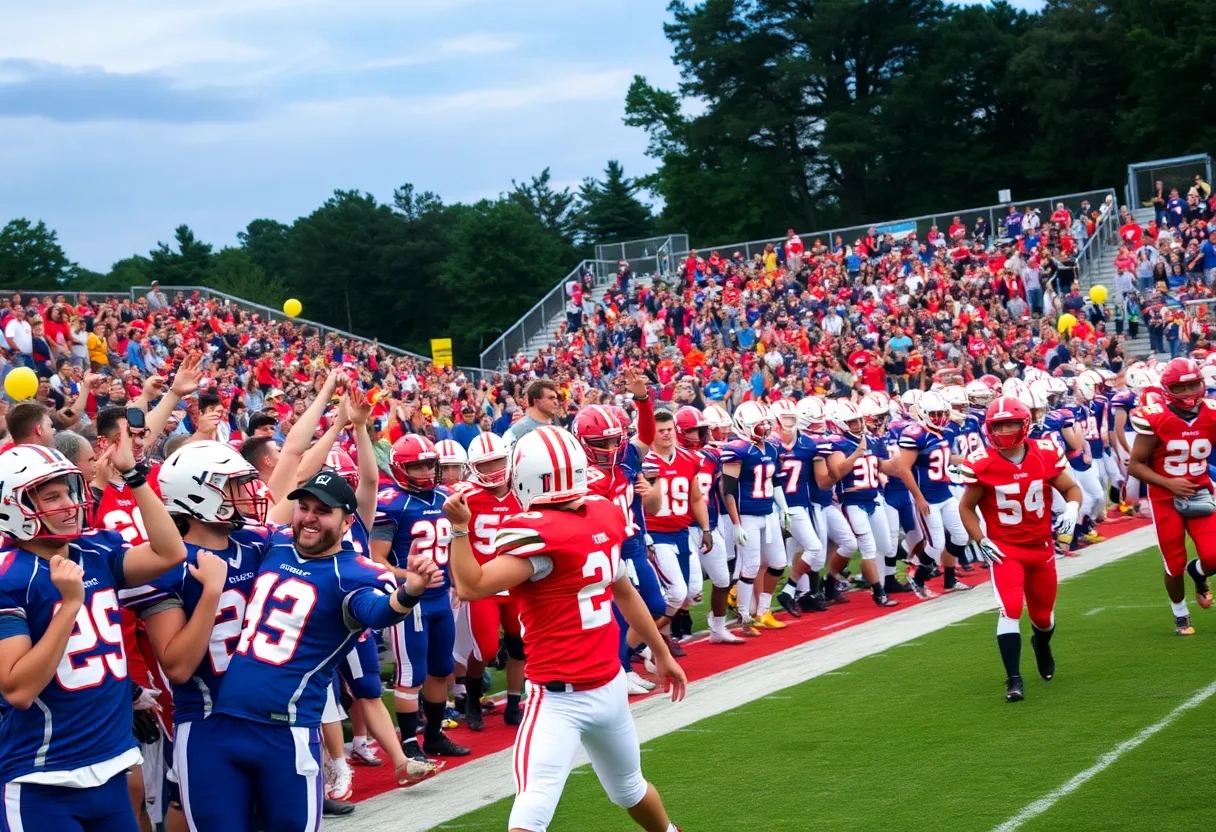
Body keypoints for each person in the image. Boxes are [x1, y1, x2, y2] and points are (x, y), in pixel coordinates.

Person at [444, 425, 686, 832]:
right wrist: (660, 654)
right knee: (629, 788)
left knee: (533, 807)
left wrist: (459, 529)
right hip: (609, 686)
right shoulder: (605, 513)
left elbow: (470, 586)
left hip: (558, 697)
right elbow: (624, 591)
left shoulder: (537, 533)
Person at [174, 472, 439, 831]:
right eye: (304, 507)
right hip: (224, 723)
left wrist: (411, 590)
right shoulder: (276, 542)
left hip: (286, 731)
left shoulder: (355, 573)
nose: (309, 517)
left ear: (347, 522)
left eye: (323, 511)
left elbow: (380, 612)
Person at [0, 433, 187, 831]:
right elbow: (18, 689)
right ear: (12, 505)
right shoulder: (10, 577)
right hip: (43, 777)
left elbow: (170, 552)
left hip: (109, 764)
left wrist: (134, 476)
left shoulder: (92, 551)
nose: (70, 505)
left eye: (69, 492)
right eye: (51, 497)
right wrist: (70, 605)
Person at [959, 396, 1082, 702]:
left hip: (1041, 548)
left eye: (1010, 423)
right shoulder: (982, 462)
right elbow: (966, 508)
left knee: (1043, 618)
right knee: (1010, 609)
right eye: (998, 425)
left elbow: (1071, 488)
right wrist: (981, 539)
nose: (1003, 430)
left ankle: (1041, 644)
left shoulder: (1043, 453)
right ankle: (1014, 679)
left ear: (1024, 423)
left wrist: (1071, 509)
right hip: (1005, 549)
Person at [371, 434, 468, 763]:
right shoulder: (392, 503)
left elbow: (454, 543)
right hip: (409, 602)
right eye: (417, 466)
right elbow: (376, 561)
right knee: (411, 673)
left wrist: (454, 580)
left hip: (441, 597)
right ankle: (410, 742)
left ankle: (435, 735)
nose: (426, 471)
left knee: (441, 669)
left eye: (430, 464)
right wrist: (410, 580)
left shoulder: (445, 496)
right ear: (400, 468)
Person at [1128, 357, 1216, 636]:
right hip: (1165, 496)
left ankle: (1199, 573)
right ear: (1167, 390)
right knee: (1173, 561)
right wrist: (1169, 483)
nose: (1188, 393)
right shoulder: (1154, 416)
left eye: (1193, 385)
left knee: (1213, 555)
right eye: (1181, 388)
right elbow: (1135, 465)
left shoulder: (1212, 412)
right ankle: (1180, 612)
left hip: (1200, 490)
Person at [451, 431, 526, 729]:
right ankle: (471, 695)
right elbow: (451, 540)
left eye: (497, 461)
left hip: (517, 580)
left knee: (519, 645)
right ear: (473, 467)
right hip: (482, 581)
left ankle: (513, 703)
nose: (494, 470)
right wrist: (456, 578)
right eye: (486, 465)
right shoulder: (463, 495)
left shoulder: (523, 488)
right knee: (485, 648)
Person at [642, 409, 713, 644]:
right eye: (660, 431)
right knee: (676, 592)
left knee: (692, 591)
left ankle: (653, 635)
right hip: (657, 533)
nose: (666, 434)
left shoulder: (689, 458)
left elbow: (695, 499)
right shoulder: (645, 462)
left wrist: (705, 529)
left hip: (682, 532)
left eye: (669, 429)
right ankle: (653, 638)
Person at [719, 401, 789, 635]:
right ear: (744, 426)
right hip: (747, 514)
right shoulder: (736, 449)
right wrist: (736, 523)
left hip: (768, 512)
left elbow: (774, 480)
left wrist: (784, 507)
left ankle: (764, 611)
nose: (766, 429)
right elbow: (728, 489)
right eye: (760, 425)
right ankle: (745, 616)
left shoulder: (770, 448)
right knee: (749, 567)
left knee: (778, 562)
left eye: (767, 424)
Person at [504, 379, 561, 445]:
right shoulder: (520, 429)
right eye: (551, 398)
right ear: (537, 401)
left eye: (556, 398)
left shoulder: (556, 425)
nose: (556, 402)